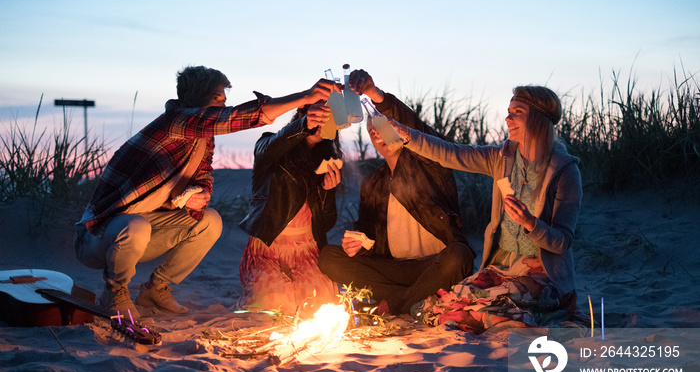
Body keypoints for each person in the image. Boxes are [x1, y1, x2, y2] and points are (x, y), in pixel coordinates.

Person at [74, 65, 340, 319]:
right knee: (135, 225)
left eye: (225, 98)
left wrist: (196, 193)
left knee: (210, 220)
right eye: (217, 98)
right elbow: (237, 119)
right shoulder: (175, 121)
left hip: (146, 228)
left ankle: (156, 289)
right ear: (196, 100)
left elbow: (203, 179)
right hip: (99, 234)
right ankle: (115, 292)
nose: (223, 105)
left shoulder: (203, 138)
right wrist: (305, 97)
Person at [391, 85, 583, 332]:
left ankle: (506, 318)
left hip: (541, 275)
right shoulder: (501, 157)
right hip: (500, 269)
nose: (507, 118)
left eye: (517, 112)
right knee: (454, 297)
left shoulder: (565, 171)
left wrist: (530, 223)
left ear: (537, 117)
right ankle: (496, 319)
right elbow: (451, 153)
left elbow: (563, 241)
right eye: (508, 111)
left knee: (506, 298)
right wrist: (408, 136)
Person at [318, 70, 475, 315]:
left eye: (382, 126)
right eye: (372, 131)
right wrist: (357, 242)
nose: (377, 134)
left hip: (436, 263)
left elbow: (420, 130)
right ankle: (418, 295)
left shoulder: (429, 162)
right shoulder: (372, 183)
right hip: (394, 269)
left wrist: (374, 93)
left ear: (400, 129)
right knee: (329, 257)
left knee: (460, 254)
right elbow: (367, 233)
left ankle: (396, 303)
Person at [237, 103, 343, 316]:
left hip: (306, 249)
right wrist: (304, 126)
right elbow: (267, 148)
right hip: (269, 247)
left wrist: (326, 191)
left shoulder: (326, 160)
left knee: (317, 303)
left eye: (328, 119)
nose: (321, 122)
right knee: (272, 300)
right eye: (316, 116)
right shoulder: (270, 147)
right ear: (301, 116)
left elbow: (326, 223)